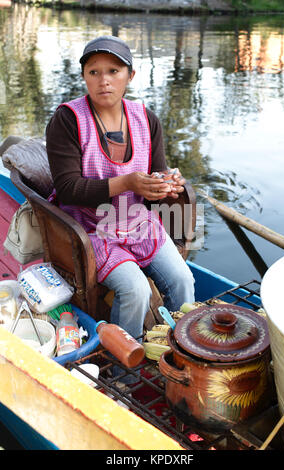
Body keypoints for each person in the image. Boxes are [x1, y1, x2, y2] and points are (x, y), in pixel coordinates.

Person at [46, 36, 195, 377]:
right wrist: (128, 182)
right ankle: (122, 372)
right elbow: (68, 189)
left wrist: (166, 183)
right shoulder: (68, 120)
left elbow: (155, 172)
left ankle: (178, 356)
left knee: (183, 282)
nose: (104, 80)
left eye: (114, 70)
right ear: (84, 76)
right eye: (94, 71)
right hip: (90, 226)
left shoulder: (146, 119)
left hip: (137, 222)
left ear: (131, 75)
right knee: (135, 290)